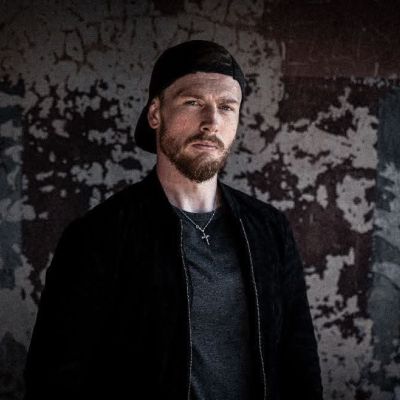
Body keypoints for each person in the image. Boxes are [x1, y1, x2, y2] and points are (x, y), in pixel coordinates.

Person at [24, 40, 323, 400]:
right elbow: (54, 377)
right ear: (155, 113)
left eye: (226, 107)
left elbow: (300, 362)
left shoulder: (269, 229)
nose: (211, 122)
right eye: (193, 102)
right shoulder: (98, 236)